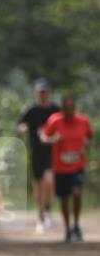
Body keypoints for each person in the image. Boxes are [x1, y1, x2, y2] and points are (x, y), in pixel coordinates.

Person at [39, 95, 92, 242]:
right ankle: (67, 229)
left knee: (77, 193)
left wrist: (85, 145)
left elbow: (89, 137)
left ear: (75, 108)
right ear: (62, 108)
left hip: (78, 165)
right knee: (64, 199)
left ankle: (76, 224)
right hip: (60, 167)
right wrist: (51, 140)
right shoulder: (54, 120)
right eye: (67, 109)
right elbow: (43, 136)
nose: (70, 111)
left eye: (72, 108)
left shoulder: (83, 121)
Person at [17, 78, 59, 233]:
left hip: (51, 151)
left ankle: (48, 209)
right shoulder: (31, 110)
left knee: (49, 181)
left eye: (45, 92)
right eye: (40, 92)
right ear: (36, 93)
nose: (42, 95)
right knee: (38, 186)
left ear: (49, 93)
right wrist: (22, 128)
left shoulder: (55, 109)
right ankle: (40, 218)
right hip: (36, 151)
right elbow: (20, 123)